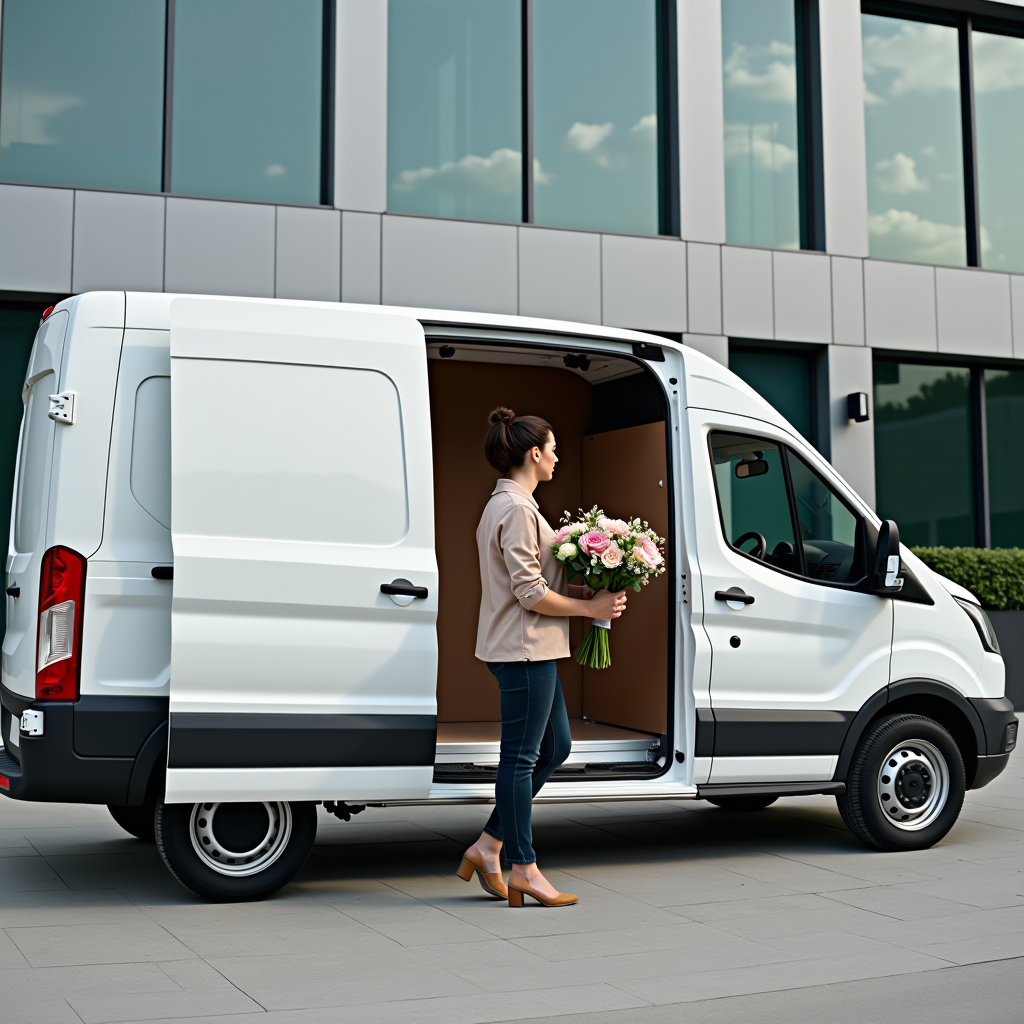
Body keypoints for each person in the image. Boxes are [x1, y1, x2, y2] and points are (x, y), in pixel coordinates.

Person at [457, 407, 627, 908]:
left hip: (531, 647)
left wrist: (588, 588)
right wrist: (588, 606)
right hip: (523, 650)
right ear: (534, 454)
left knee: (556, 747)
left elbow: (534, 583)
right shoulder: (514, 509)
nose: (557, 458)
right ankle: (524, 868)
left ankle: (488, 845)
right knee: (521, 758)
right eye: (553, 450)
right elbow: (529, 593)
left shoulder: (515, 506)